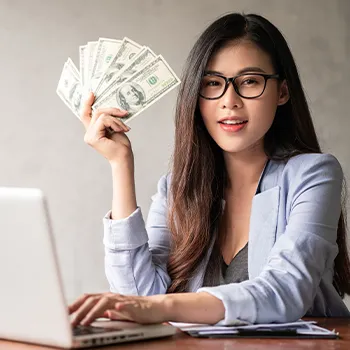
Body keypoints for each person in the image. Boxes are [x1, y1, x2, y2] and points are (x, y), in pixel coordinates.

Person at [69, 12, 350, 327]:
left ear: (282, 92)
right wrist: (120, 163)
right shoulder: (177, 188)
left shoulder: (314, 175)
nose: (229, 101)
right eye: (213, 84)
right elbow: (137, 295)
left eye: (250, 81)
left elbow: (285, 291)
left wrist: (163, 306)